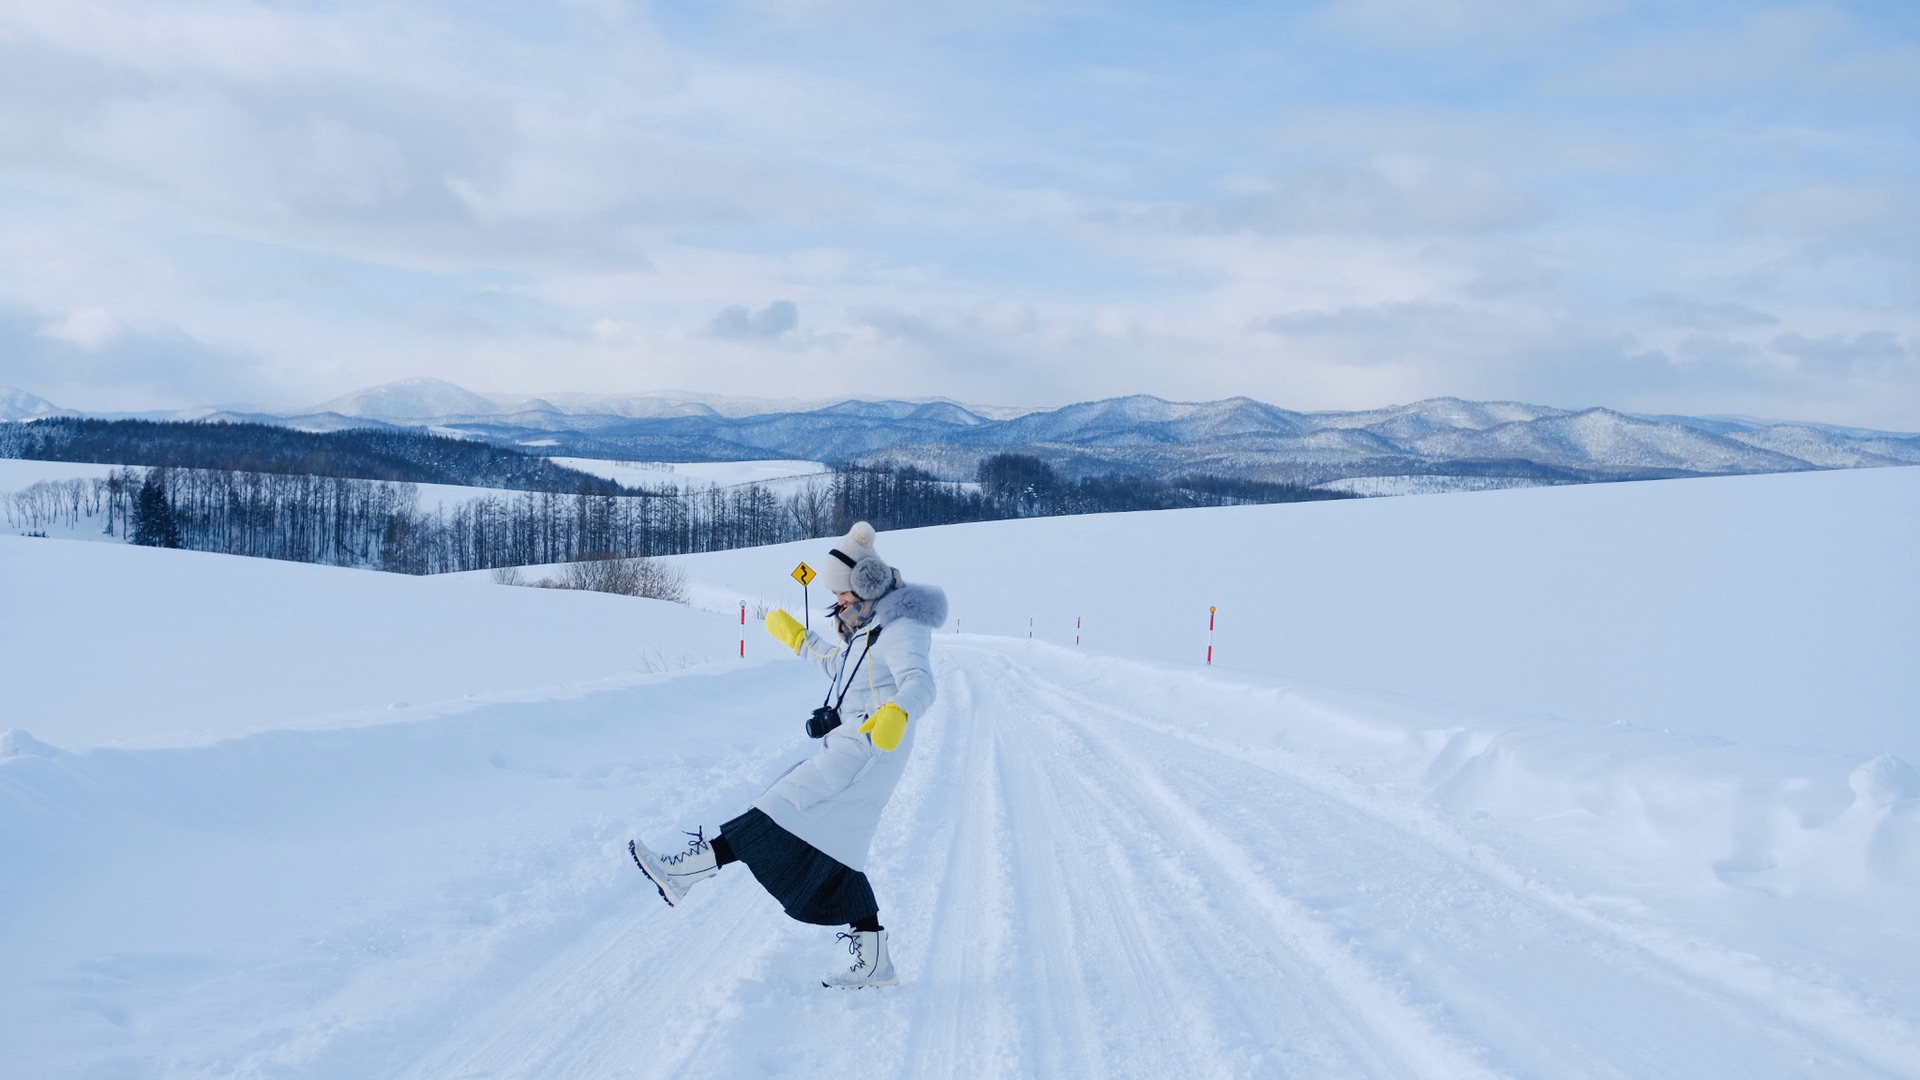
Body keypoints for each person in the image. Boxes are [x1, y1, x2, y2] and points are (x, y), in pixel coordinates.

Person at [629, 521, 948, 989]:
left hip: (869, 751)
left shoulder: (903, 630)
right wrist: (800, 639)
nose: (837, 600)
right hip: (854, 747)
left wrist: (897, 713)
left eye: (840, 592)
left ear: (867, 584)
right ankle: (876, 963)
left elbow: (921, 684)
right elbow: (842, 671)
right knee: (841, 852)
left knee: (779, 804)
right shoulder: (869, 628)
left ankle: (686, 873)